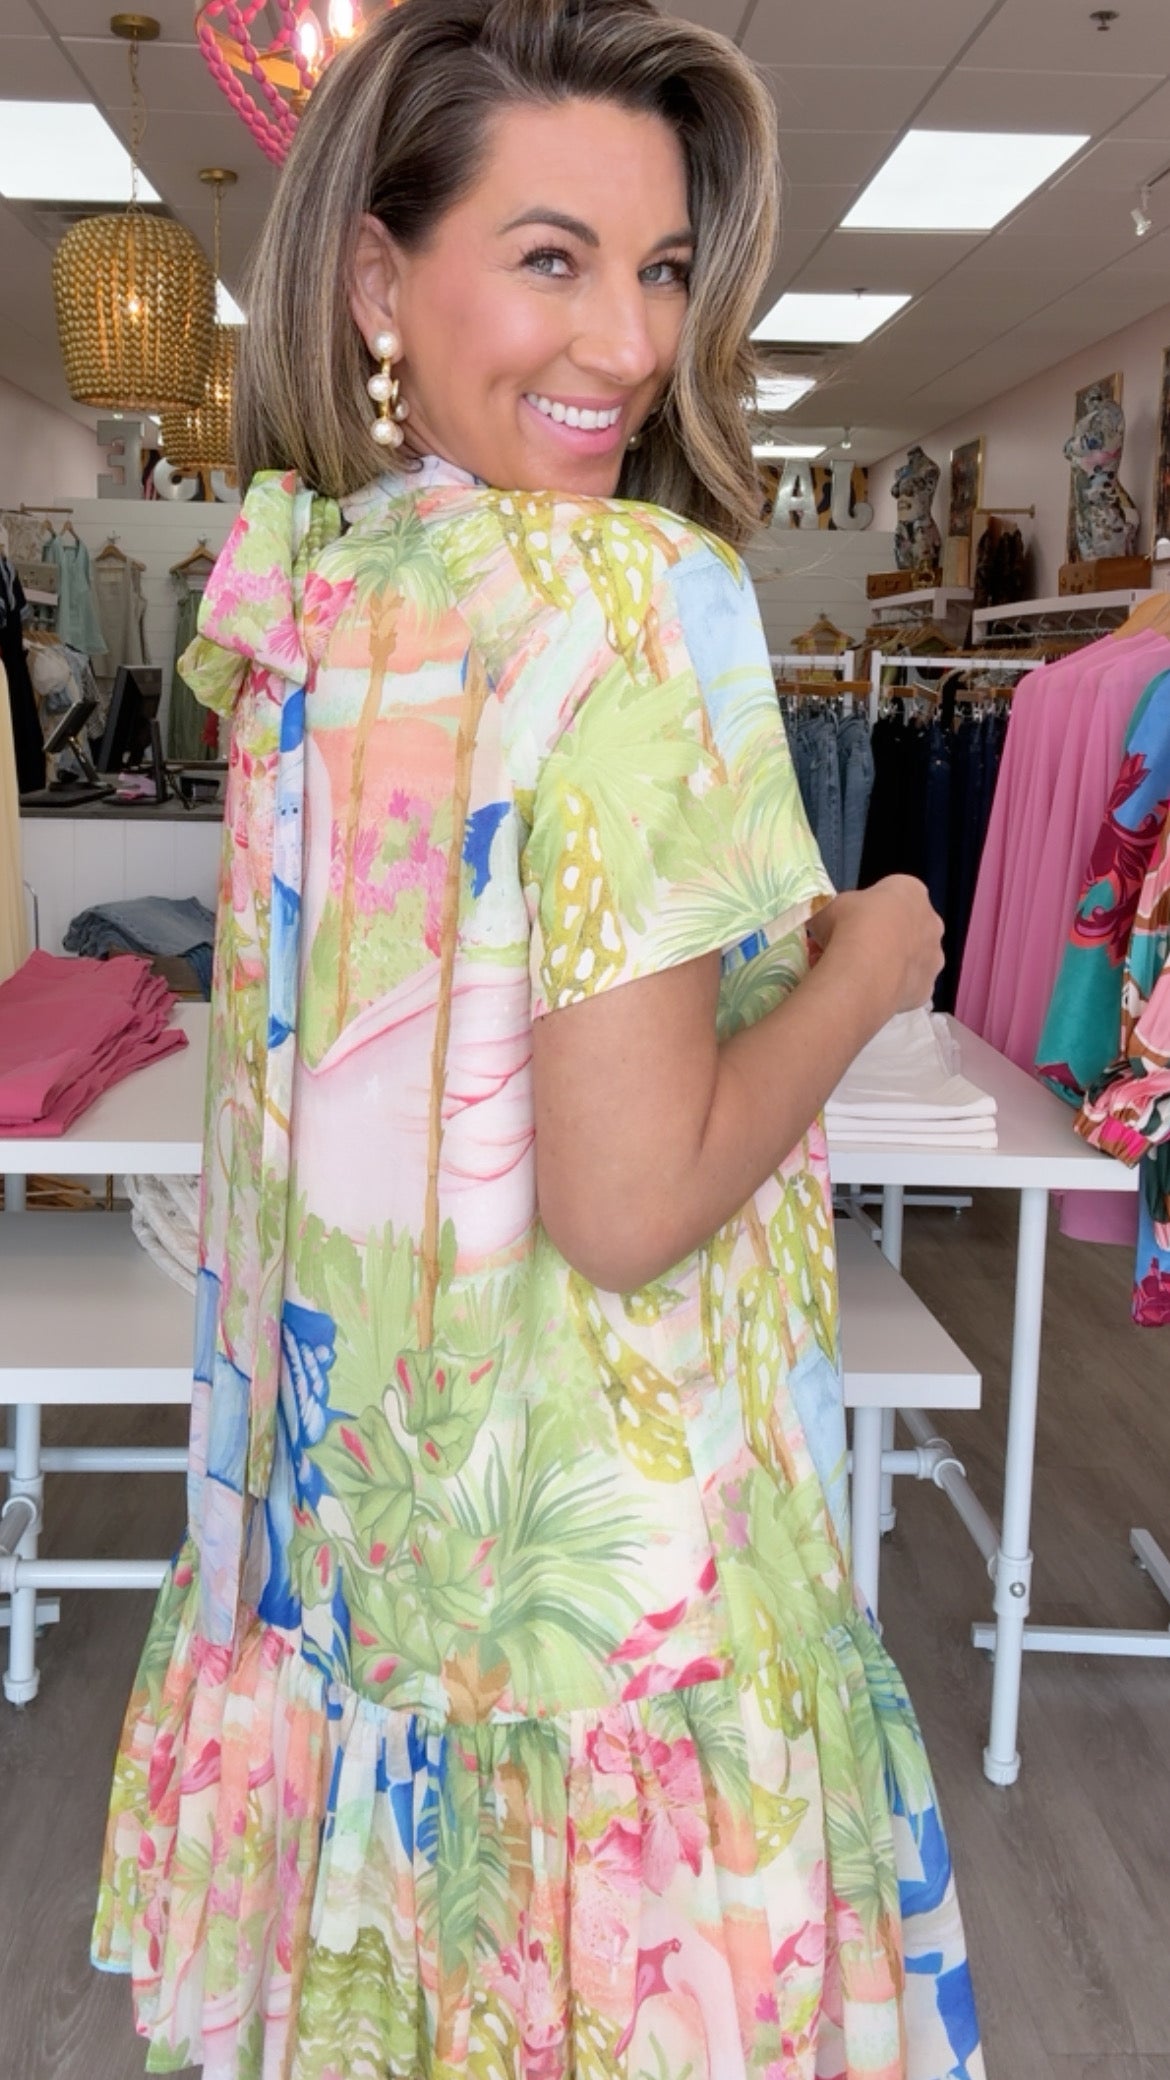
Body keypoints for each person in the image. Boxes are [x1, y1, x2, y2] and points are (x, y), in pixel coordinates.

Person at [92, 3, 983, 2075]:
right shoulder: (639, 603)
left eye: (661, 269)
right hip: (607, 1612)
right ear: (377, 277)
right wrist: (867, 964)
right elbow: (633, 1197)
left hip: (355, 1579)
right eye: (551, 258)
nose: (628, 340)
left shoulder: (310, 598)